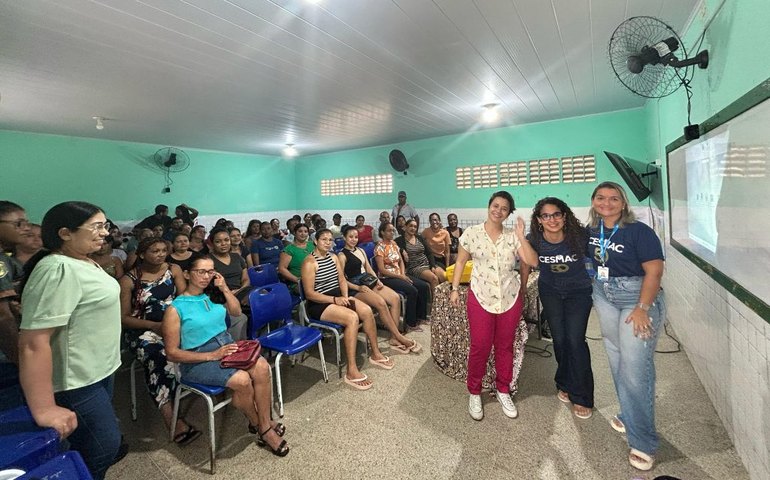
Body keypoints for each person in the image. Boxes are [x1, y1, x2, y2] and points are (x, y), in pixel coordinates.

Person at [19, 201, 123, 479]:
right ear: (65, 233)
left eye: (106, 225)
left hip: (99, 369)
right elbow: (33, 342)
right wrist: (44, 408)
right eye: (97, 227)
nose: (105, 232)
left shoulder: (84, 260)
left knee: (90, 443)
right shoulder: (57, 269)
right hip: (75, 379)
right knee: (104, 446)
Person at [162, 255, 289, 456]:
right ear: (187, 274)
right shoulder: (175, 309)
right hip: (197, 359)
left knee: (263, 367)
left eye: (210, 271)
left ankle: (264, 423)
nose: (206, 276)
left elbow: (237, 311)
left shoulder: (211, 295)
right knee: (242, 380)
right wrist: (212, 355)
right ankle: (262, 427)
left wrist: (223, 288)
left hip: (226, 345)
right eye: (201, 272)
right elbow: (172, 353)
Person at [587, 181, 665, 472]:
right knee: (618, 361)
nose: (606, 203)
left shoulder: (639, 231)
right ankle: (629, 414)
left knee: (635, 369)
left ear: (623, 203)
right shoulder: (592, 231)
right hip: (605, 296)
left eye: (614, 198)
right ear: (594, 201)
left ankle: (643, 441)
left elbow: (655, 271)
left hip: (637, 299)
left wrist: (643, 308)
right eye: (601, 197)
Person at [449, 191, 537, 421]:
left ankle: (503, 389)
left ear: (509, 213)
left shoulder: (512, 237)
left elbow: (531, 261)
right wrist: (455, 288)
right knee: (480, 345)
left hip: (509, 297)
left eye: (504, 208)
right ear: (489, 206)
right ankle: (475, 392)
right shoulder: (472, 233)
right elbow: (460, 261)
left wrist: (521, 235)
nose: (498, 210)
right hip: (480, 296)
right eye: (495, 206)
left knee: (505, 346)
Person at [118, 237, 200, 446]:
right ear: (142, 254)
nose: (161, 254)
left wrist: (178, 321)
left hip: (174, 322)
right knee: (159, 356)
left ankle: (195, 385)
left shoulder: (173, 269)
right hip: (144, 329)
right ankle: (171, 418)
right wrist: (154, 326)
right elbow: (124, 318)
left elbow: (184, 297)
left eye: (164, 250)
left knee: (202, 338)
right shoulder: (129, 280)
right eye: (155, 251)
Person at [301, 229, 395, 390]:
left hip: (338, 297)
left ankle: (375, 353)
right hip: (320, 304)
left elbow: (342, 280)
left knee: (366, 310)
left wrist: (346, 296)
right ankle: (351, 370)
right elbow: (310, 294)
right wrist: (335, 300)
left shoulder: (333, 257)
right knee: (352, 318)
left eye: (330, 240)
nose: (328, 242)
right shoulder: (309, 262)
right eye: (324, 239)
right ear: (315, 241)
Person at [527, 197, 594, 419]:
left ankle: (582, 395)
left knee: (575, 340)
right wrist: (521, 288)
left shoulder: (580, 235)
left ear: (564, 216)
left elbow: (602, 255)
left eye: (556, 214)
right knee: (560, 339)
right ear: (539, 220)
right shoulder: (534, 239)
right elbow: (528, 262)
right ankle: (563, 381)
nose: (552, 219)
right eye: (546, 215)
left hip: (578, 292)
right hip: (551, 292)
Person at [338, 225, 420, 354]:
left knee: (395, 298)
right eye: (350, 237)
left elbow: (369, 269)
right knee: (381, 303)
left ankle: (393, 338)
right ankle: (398, 335)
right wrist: (357, 287)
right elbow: (341, 279)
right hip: (356, 287)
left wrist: (378, 280)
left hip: (368, 280)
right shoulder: (342, 256)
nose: (353, 239)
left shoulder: (360, 250)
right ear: (344, 237)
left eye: (355, 237)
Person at [374, 222, 429, 331]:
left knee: (423, 286)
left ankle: (421, 317)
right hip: (387, 278)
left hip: (399, 275)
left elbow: (400, 261)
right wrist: (400, 277)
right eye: (389, 231)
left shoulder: (393, 243)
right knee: (412, 290)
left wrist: (403, 274)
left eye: (393, 231)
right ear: (382, 232)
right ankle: (410, 323)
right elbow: (382, 270)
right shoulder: (379, 247)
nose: (392, 233)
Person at [0, 202, 30, 367]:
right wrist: (21, 360)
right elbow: (3, 316)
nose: (26, 228)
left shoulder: (7, 258)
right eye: (18, 224)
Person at [397, 218, 445, 300]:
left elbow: (429, 253)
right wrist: (401, 250)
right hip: (415, 267)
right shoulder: (399, 240)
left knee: (445, 276)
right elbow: (393, 244)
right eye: (411, 226)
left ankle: (445, 301)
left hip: (427, 264)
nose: (413, 228)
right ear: (405, 227)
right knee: (434, 278)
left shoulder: (419, 238)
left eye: (415, 227)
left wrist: (433, 266)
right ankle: (436, 306)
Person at [277, 223, 314, 293]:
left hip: (316, 278)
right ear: (294, 233)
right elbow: (282, 269)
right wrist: (298, 280)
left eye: (305, 231)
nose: (303, 234)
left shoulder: (312, 245)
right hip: (298, 283)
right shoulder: (289, 250)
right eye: (300, 231)